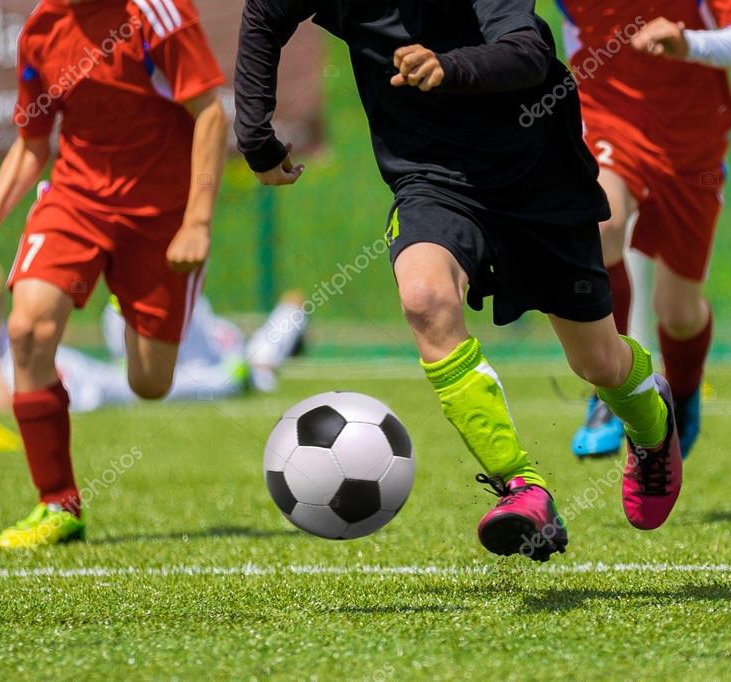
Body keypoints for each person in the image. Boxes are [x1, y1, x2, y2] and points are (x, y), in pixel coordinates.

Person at [235, 0, 684, 561]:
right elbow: (265, 13)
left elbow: (528, 51)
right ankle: (521, 487)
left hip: (536, 170)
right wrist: (253, 131)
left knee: (599, 363)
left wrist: (450, 68)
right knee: (424, 297)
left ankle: (651, 418)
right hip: (431, 176)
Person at [0, 0, 228, 550]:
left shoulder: (158, 12)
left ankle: (126, 297)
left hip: (161, 217)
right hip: (75, 202)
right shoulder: (40, 29)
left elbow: (211, 115)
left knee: (149, 384)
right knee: (27, 330)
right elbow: (33, 144)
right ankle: (57, 503)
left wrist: (197, 221)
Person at [564, 0, 731, 459]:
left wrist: (686, 41)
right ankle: (610, 384)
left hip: (692, 145)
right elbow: (574, 36)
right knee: (599, 224)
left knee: (678, 311)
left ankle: (685, 395)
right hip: (611, 122)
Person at [0, 257, 309, 412]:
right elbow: (4, 405)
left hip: (92, 381)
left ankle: (241, 365)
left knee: (159, 381)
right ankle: (237, 373)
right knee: (173, 383)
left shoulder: (8, 340)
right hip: (97, 389)